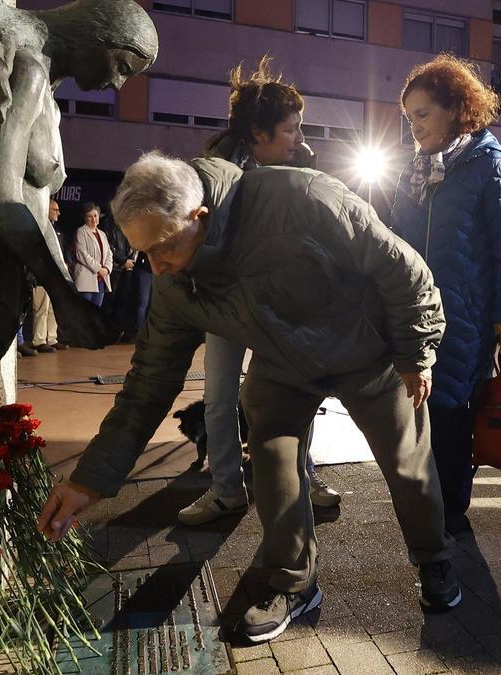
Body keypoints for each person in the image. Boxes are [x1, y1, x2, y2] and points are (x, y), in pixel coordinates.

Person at [38, 151, 459, 643]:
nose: (157, 268)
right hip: (283, 365)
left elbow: (402, 267)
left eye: (163, 249)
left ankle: (434, 558)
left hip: (367, 351)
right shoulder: (176, 282)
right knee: (272, 460)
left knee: (407, 462)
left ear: (199, 218)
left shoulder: (299, 199)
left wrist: (416, 353)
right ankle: (293, 581)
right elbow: (145, 389)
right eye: (144, 253)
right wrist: (89, 480)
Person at [0, 0, 156, 375]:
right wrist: (63, 295)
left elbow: (37, 207)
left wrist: (67, 294)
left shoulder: (49, 96)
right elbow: (0, 196)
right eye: (121, 66)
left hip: (6, 274)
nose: (118, 84)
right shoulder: (29, 73)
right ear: (97, 37)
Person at [177, 57, 338, 528]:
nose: (302, 139)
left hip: (279, 302)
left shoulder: (300, 169)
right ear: (258, 133)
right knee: (219, 396)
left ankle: (303, 477)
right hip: (226, 301)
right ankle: (226, 489)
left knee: (296, 390)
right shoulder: (213, 175)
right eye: (292, 129)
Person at [390, 55, 501, 533]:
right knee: (417, 407)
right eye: (409, 118)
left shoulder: (489, 164)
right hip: (414, 311)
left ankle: (450, 511)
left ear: (454, 107)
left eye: (422, 115)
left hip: (465, 313)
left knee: (451, 410)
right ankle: (428, 500)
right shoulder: (414, 170)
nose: (414, 128)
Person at [30, 199, 67, 352]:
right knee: (41, 309)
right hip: (41, 276)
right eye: (54, 209)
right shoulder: (40, 227)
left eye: (58, 209)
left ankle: (52, 338)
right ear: (46, 209)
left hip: (56, 277)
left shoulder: (57, 231)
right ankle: (39, 340)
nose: (58, 212)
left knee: (53, 308)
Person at [72, 202, 113, 308]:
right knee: (84, 314)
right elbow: (82, 255)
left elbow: (109, 253)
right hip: (86, 280)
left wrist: (107, 269)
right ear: (85, 218)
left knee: (95, 314)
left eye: (95, 216)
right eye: (90, 216)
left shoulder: (102, 234)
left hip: (101, 280)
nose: (93, 219)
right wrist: (99, 269)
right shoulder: (81, 232)